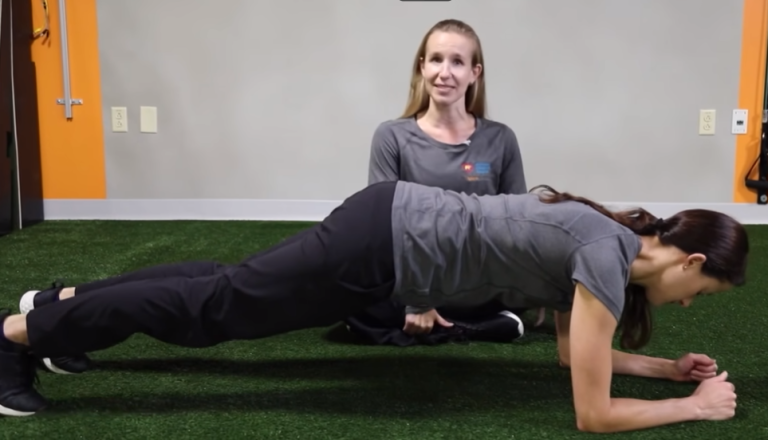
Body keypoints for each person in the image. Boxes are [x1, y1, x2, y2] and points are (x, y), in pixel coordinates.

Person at [0, 179, 745, 433]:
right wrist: (696, 409)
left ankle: (64, 306)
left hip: (386, 234)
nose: (685, 305)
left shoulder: (608, 242)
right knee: (216, 310)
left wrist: (665, 369)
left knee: (223, 286)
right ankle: (19, 334)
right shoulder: (608, 257)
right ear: (689, 261)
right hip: (383, 245)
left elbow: (572, 355)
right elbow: (593, 412)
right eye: (700, 293)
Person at [345, 18, 531, 346]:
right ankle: (471, 328)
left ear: (475, 72)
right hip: (412, 274)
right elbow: (384, 227)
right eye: (436, 60)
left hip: (476, 277)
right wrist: (418, 297)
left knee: (518, 287)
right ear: (422, 67)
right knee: (351, 300)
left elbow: (518, 224)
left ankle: (429, 324)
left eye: (457, 62)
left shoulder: (501, 139)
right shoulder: (391, 136)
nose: (444, 73)